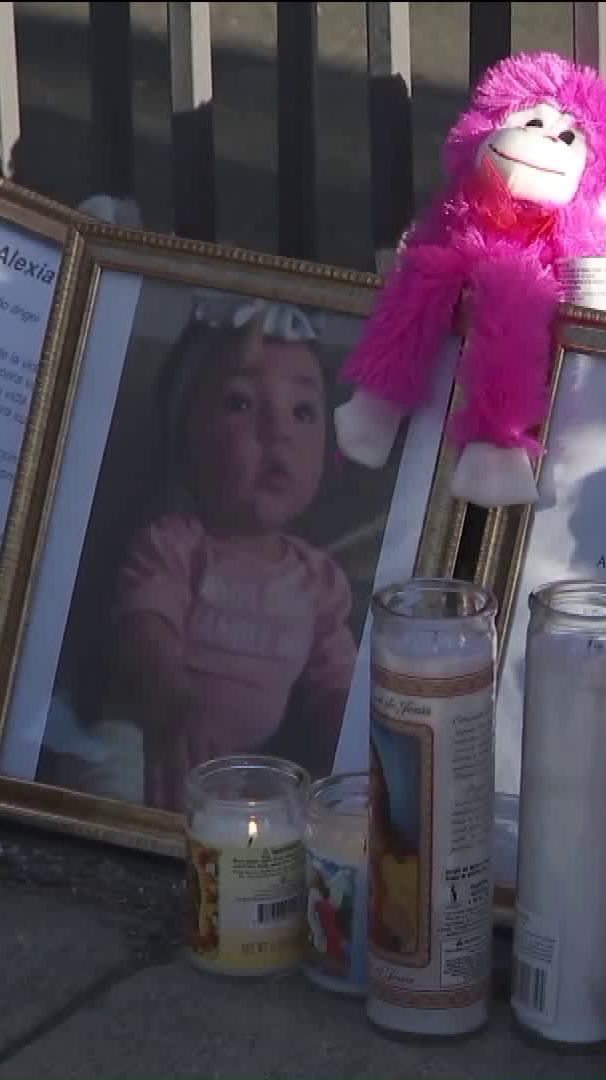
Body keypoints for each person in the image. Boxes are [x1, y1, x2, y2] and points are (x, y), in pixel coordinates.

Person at [112, 293, 359, 813]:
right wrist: (174, 702)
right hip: (157, 738)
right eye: (241, 404)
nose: (279, 432)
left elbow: (335, 684)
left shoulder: (320, 583)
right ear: (185, 438)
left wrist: (352, 742)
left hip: (249, 771)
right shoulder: (173, 544)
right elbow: (145, 629)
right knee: (109, 769)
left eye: (303, 411)